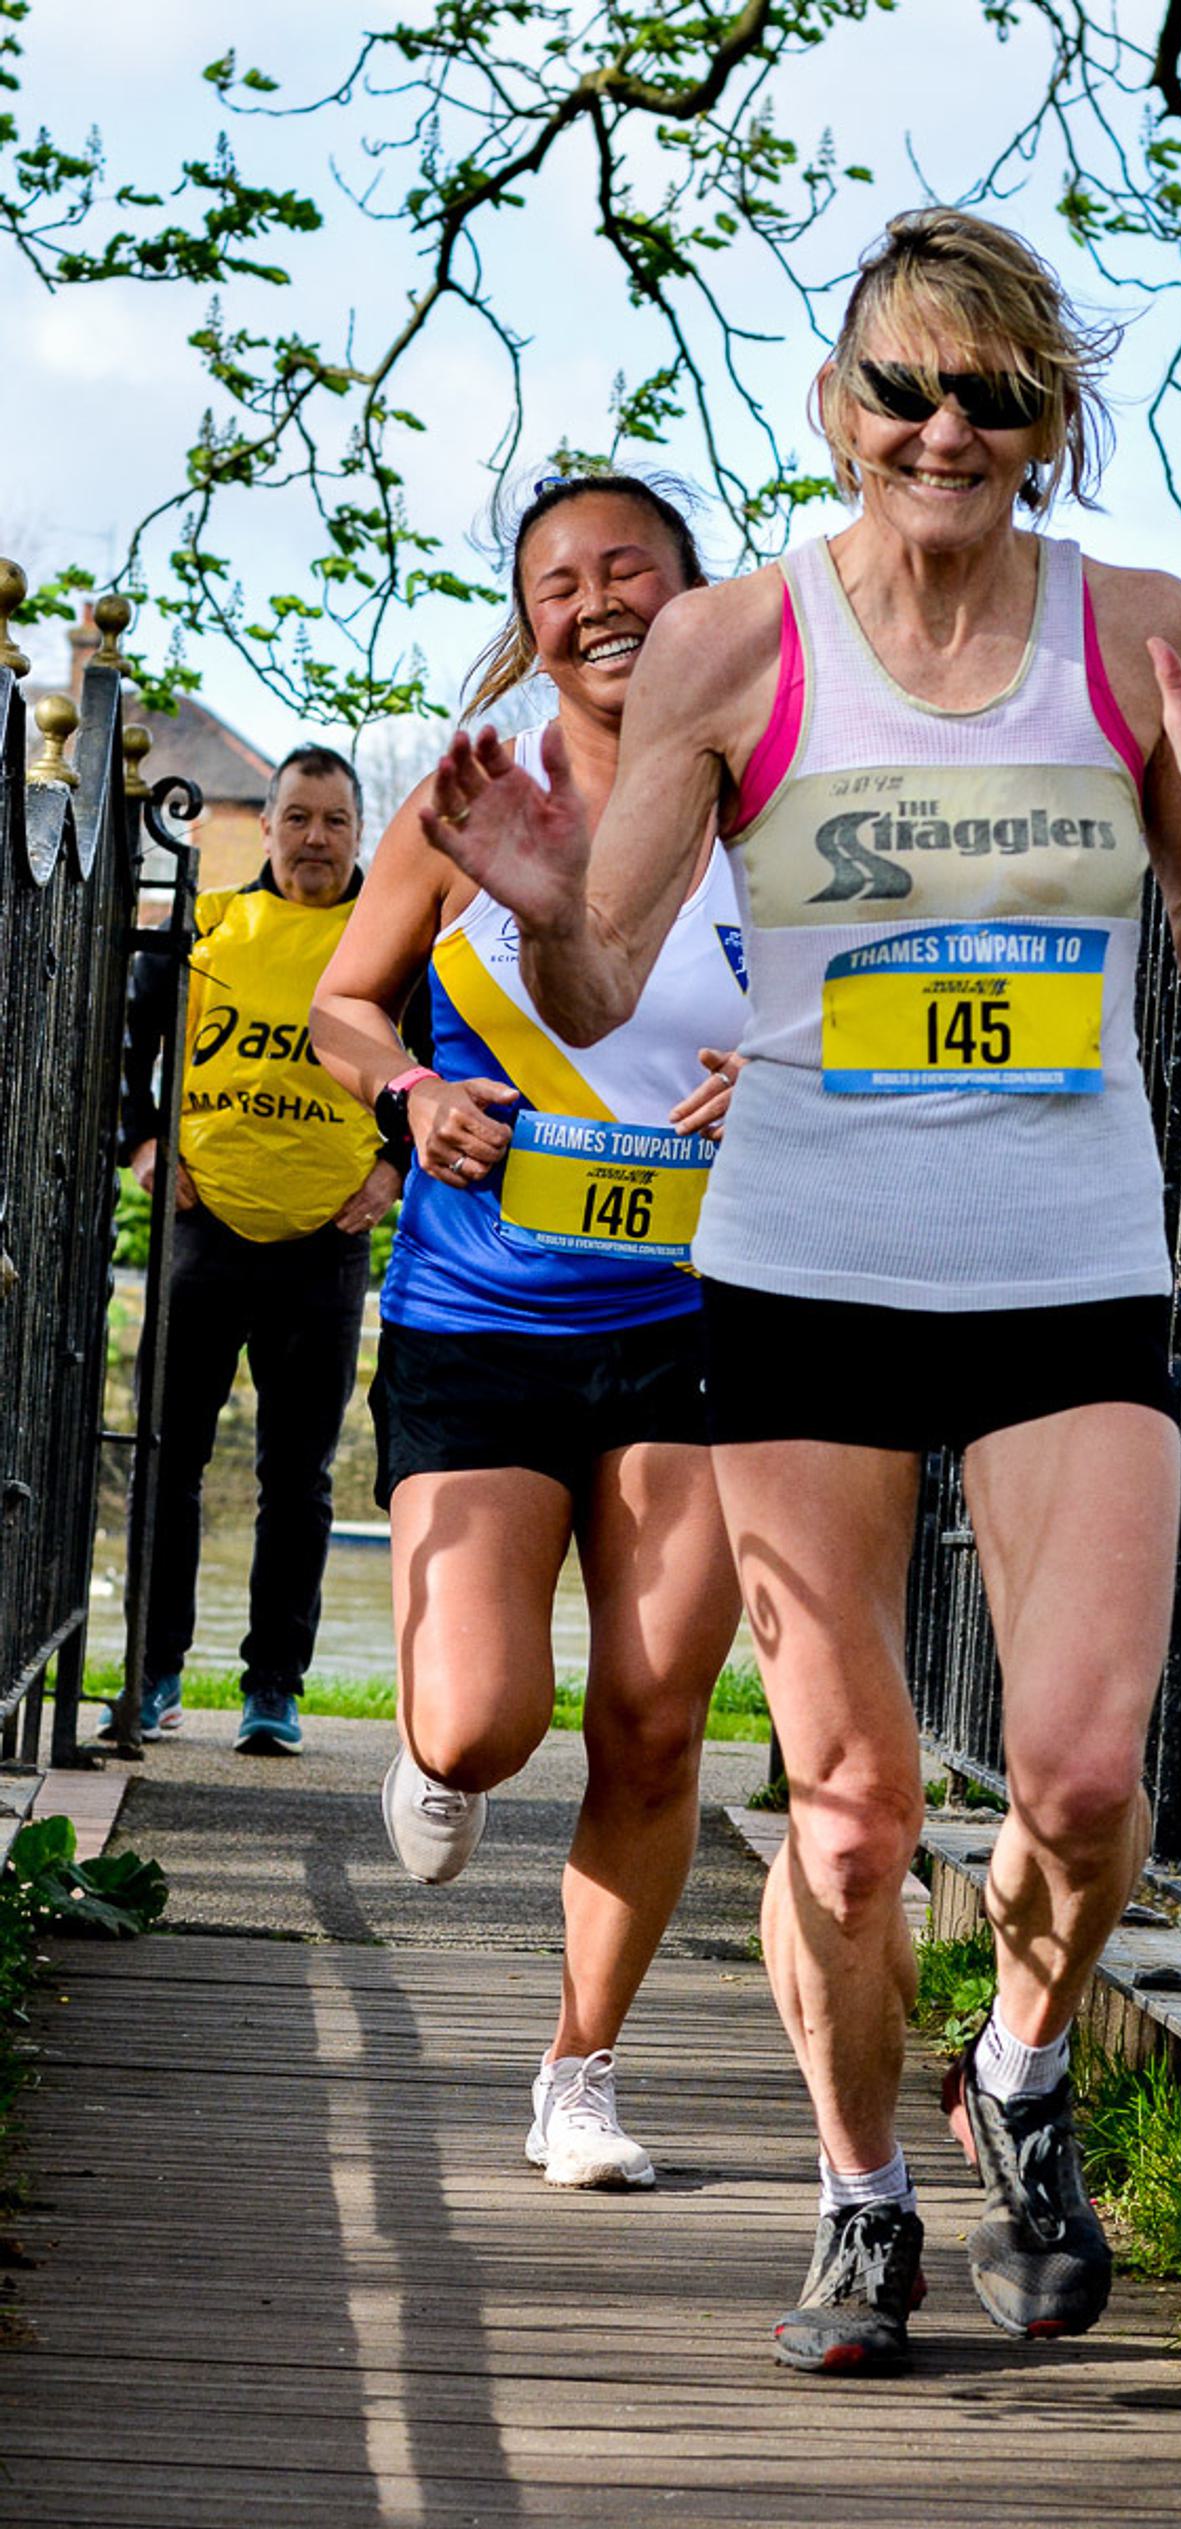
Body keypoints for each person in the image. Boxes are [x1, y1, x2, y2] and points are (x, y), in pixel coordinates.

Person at [425, 210, 1181, 2363]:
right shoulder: (734, 644)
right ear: (838, 407)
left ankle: (1014, 2063)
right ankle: (856, 2196)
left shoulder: (1119, 633)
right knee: (845, 1815)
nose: (943, 428)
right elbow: (609, 966)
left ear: (1045, 424)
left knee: (1082, 1783)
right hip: (807, 1268)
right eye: (903, 388)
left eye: (991, 395)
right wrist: (549, 908)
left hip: (1062, 1268)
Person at [310, 473, 747, 2190]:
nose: (596, 597)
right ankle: (441, 1751)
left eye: (628, 561)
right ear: (531, 620)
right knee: (488, 1713)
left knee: (654, 1711)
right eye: (556, 580)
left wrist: (771, 1078)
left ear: (695, 590)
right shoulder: (465, 796)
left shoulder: (771, 811)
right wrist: (411, 1086)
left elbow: (844, 1009)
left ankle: (580, 2070)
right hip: (480, 1314)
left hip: (699, 1312)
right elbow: (347, 1000)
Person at [114, 745, 405, 1756]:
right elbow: (125, 1041)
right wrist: (141, 1141)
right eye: (296, 818)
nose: (313, 838)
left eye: (333, 819)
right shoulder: (207, 929)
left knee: (300, 1478)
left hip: (323, 1248)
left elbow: (452, 1060)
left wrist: (395, 1171)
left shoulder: (398, 947)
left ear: (359, 830)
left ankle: (272, 1688)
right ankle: (151, 1674)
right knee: (167, 1461)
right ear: (270, 826)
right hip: (202, 1230)